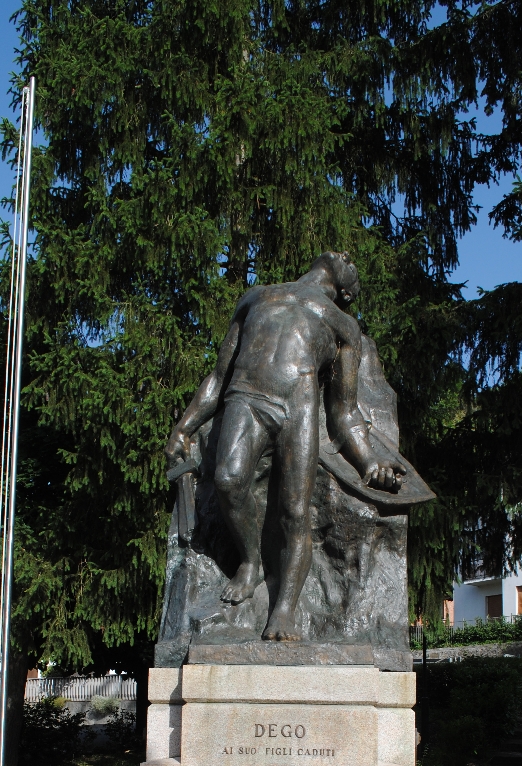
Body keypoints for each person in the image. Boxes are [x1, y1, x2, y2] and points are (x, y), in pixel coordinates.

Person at [166, 251, 405, 641]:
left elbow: (344, 413)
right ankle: (251, 560)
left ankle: (285, 611)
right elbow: (218, 374)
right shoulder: (257, 295)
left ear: (347, 291)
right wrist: (185, 426)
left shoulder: (345, 325)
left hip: (299, 404)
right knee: (228, 481)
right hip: (246, 395)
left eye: (352, 264)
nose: (346, 255)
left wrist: (369, 463)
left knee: (295, 512)